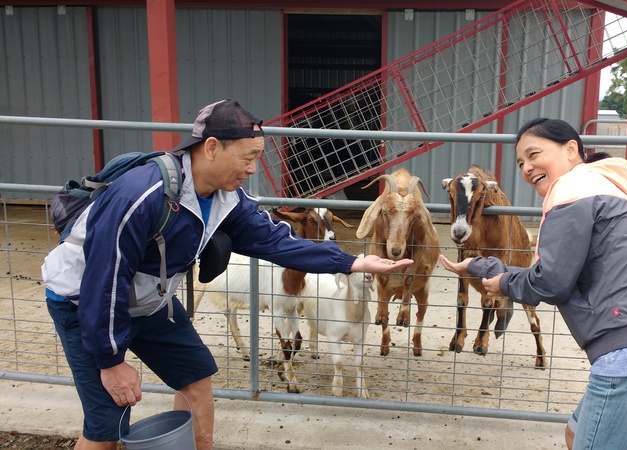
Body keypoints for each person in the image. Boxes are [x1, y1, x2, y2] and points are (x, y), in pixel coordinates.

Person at [42, 99, 412, 450]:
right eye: (248, 158)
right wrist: (111, 361)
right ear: (213, 147)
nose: (253, 169)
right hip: (84, 304)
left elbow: (274, 240)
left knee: (196, 379)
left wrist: (349, 262)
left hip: (150, 301)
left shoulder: (226, 197)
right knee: (107, 421)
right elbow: (103, 279)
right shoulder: (141, 194)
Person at [439, 118, 627, 450]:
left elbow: (550, 282)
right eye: (521, 163)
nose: (527, 168)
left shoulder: (572, 193)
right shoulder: (603, 187)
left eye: (534, 154)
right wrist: (482, 264)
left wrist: (499, 280)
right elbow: (557, 271)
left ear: (571, 149)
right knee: (575, 434)